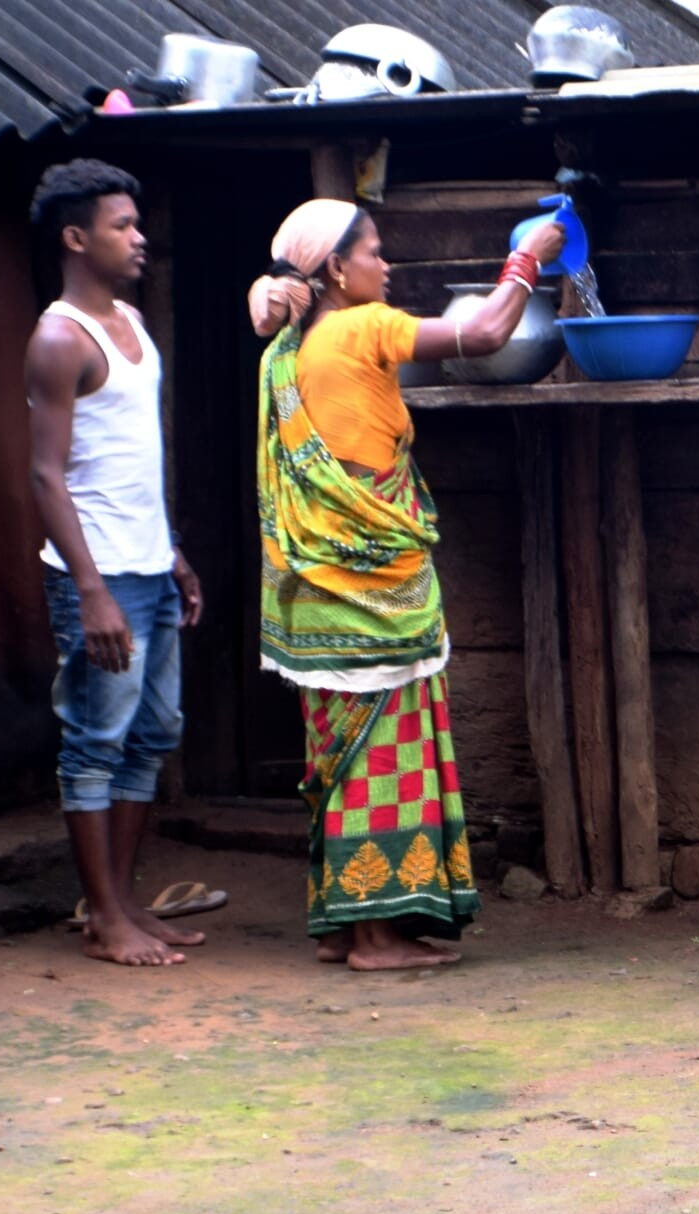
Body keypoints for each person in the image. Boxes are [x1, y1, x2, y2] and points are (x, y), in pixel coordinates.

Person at [247, 200, 560, 972]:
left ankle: (338, 924)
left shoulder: (285, 351)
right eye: (375, 253)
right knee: (381, 757)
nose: (386, 267)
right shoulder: (362, 326)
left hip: (313, 592)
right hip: (372, 585)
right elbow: (486, 335)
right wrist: (529, 259)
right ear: (333, 269)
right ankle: (376, 940)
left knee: (335, 753)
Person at [24, 158, 207, 969]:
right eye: (121, 226)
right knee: (95, 742)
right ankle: (103, 915)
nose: (139, 238)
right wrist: (92, 591)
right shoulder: (61, 337)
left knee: (153, 733)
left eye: (137, 223)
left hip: (148, 564)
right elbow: (45, 473)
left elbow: (131, 457)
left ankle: (126, 902)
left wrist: (170, 552)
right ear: (75, 237)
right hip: (97, 578)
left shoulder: (130, 320)